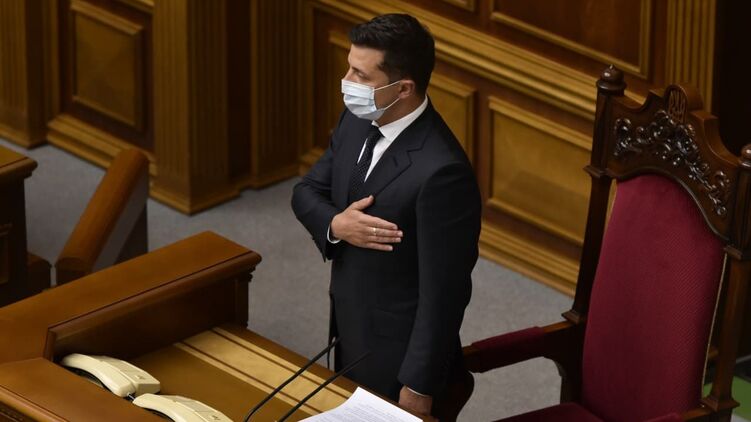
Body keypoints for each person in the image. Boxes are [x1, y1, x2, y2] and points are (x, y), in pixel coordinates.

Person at [291, 13, 481, 420]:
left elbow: (444, 294)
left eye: (360, 75)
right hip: (350, 329)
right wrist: (336, 225)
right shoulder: (356, 121)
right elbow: (305, 192)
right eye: (349, 67)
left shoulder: (443, 172)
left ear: (404, 88)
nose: (347, 81)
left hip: (398, 359)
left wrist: (418, 387)